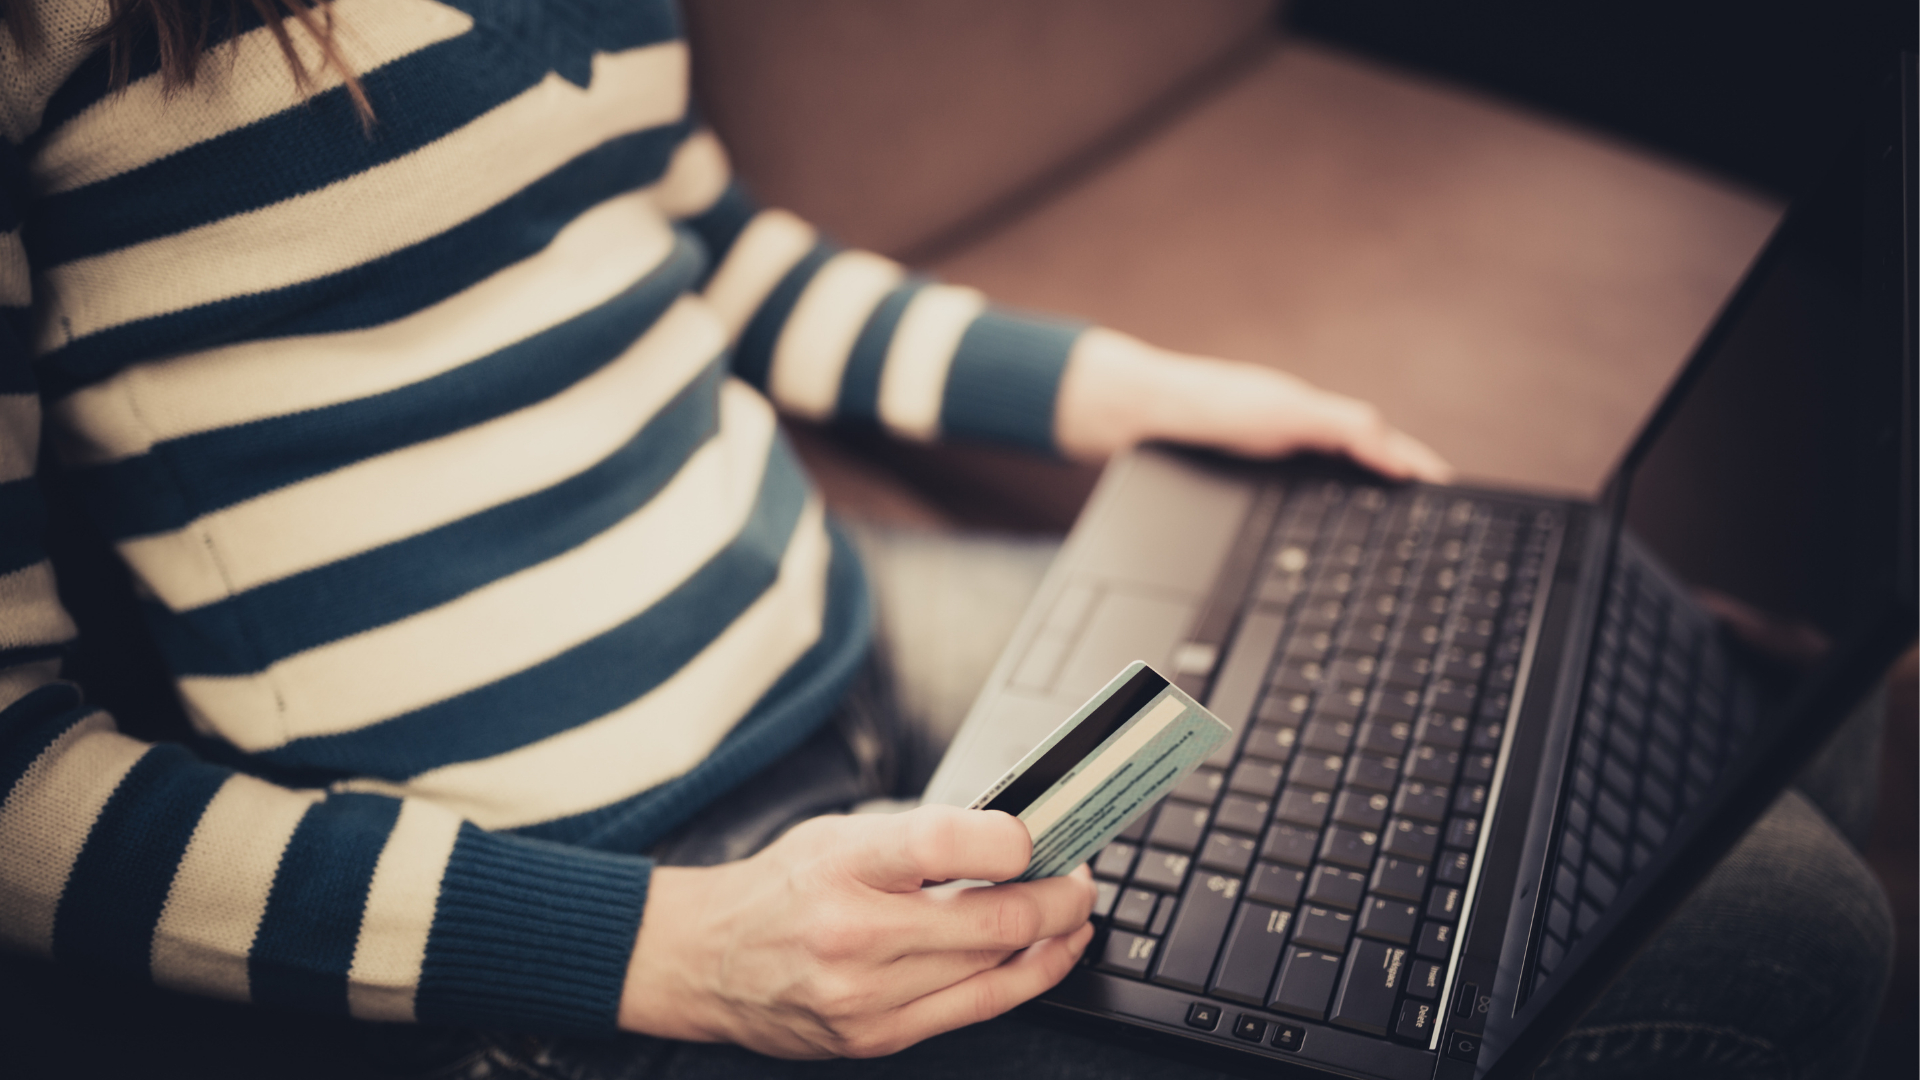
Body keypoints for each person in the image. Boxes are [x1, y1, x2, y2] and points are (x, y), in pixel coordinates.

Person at [0, 3, 1893, 1078]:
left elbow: (688, 243)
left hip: (832, 626)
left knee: (1606, 703)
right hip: (578, 904)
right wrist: (677, 951)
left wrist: (1121, 393)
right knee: (1790, 943)